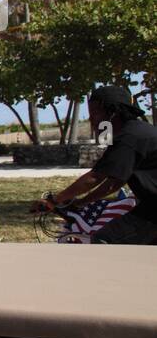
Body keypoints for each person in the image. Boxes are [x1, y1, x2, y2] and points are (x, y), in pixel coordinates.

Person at [34, 86, 157, 244]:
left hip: (152, 210)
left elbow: (95, 177)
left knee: (104, 241)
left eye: (94, 113)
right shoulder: (136, 132)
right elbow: (113, 183)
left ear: (113, 112)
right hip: (150, 208)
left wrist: (55, 200)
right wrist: (80, 203)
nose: (91, 120)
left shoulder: (129, 139)